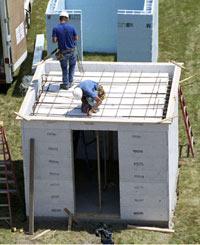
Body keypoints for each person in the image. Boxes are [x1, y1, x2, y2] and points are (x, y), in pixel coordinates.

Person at [52, 10, 78, 90]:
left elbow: (54, 41)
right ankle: (70, 81)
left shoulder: (56, 28)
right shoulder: (72, 27)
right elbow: (76, 38)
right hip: (72, 51)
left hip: (62, 52)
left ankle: (66, 84)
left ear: (60, 18)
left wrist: (60, 38)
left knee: (64, 68)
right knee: (72, 66)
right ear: (67, 18)